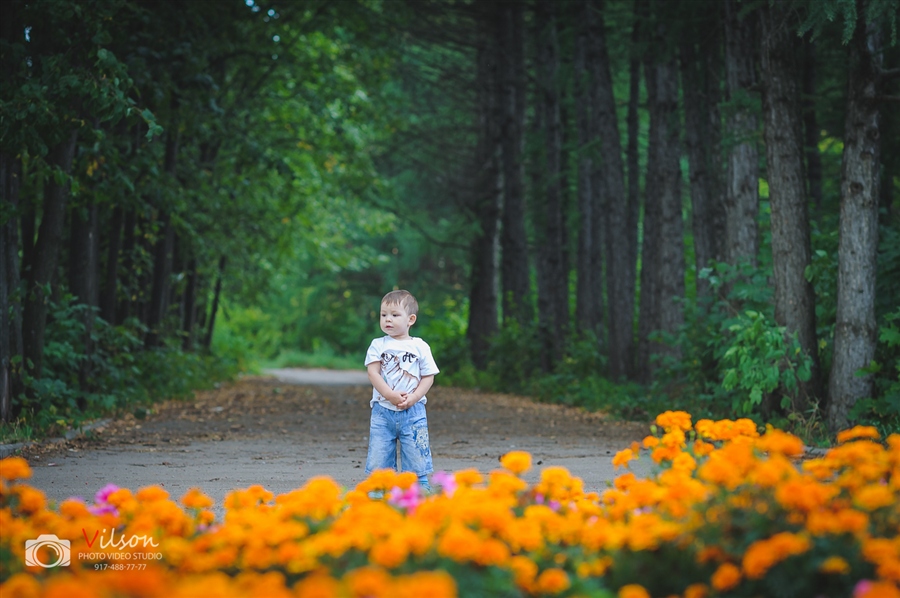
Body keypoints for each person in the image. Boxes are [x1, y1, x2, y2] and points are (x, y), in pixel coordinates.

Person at [364, 290, 439, 492]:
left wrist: (414, 397)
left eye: (395, 315)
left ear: (410, 319)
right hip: (383, 410)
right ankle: (380, 486)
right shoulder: (377, 345)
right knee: (380, 450)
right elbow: (373, 373)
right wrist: (389, 394)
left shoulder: (420, 346)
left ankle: (420, 484)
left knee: (416, 449)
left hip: (413, 411)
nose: (388, 319)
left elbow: (428, 376)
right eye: (383, 314)